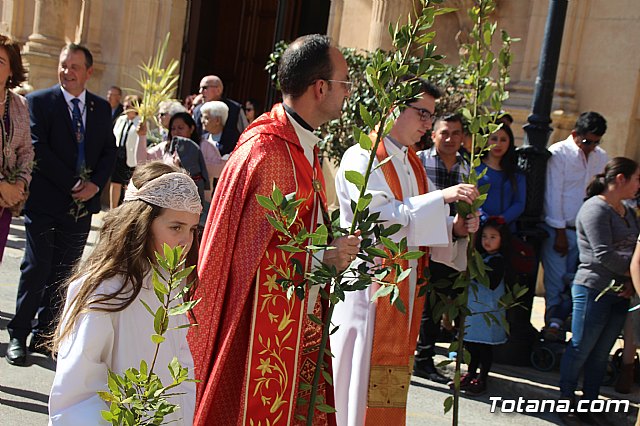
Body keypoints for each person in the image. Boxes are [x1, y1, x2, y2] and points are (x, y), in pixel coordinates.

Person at [189, 34, 360, 426]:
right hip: (258, 335)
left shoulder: (299, 146)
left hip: (300, 318)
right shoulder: (268, 153)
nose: (348, 93)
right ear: (321, 88)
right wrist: (323, 256)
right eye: (344, 83)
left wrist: (327, 248)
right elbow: (248, 261)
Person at [332, 80, 480, 426]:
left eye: (431, 115)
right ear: (392, 109)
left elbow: (419, 222)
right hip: (370, 287)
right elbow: (382, 220)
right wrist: (440, 198)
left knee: (388, 372)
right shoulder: (364, 156)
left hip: (402, 286)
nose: (428, 123)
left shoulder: (410, 163)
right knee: (357, 377)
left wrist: (454, 229)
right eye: (422, 113)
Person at [48, 162, 200, 425]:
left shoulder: (171, 285)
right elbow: (77, 393)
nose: (186, 241)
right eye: (176, 227)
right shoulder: (103, 290)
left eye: (192, 229)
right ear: (142, 221)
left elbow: (180, 370)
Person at [6, 43, 116, 366]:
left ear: (88, 72)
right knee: (37, 267)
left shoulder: (99, 107)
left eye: (74, 67)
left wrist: (95, 185)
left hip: (82, 208)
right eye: (63, 65)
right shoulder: (39, 101)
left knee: (64, 272)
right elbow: (37, 147)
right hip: (45, 202)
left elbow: (109, 151)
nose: (67, 72)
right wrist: (73, 183)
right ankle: (18, 333)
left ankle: (46, 335)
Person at [558, 157, 639, 424]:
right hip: (593, 287)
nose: (639, 185)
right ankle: (566, 401)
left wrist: (630, 283)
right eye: (637, 178)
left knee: (600, 353)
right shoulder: (595, 209)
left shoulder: (627, 211)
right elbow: (602, 255)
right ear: (620, 179)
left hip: (619, 292)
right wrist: (633, 273)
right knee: (581, 347)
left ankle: (589, 405)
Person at [541, 112, 609, 341]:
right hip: (560, 228)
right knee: (556, 281)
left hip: (586, 231)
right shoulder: (560, 153)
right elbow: (553, 193)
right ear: (575, 135)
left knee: (575, 282)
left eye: (596, 142)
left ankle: (561, 322)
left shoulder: (600, 157)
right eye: (587, 141)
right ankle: (552, 326)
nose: (591, 147)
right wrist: (559, 231)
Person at [414, 113, 468, 384]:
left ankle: (423, 358)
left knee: (435, 304)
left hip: (448, 245)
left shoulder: (467, 167)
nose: (449, 139)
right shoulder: (418, 161)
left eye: (456, 133)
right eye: (444, 133)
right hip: (420, 242)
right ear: (433, 134)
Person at [459, 217, 511, 396]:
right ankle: (471, 372)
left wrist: (474, 272)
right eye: (484, 236)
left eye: (493, 237)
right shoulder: (479, 257)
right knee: (471, 343)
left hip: (488, 308)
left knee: (484, 346)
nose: (487, 241)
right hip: (473, 308)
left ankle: (482, 378)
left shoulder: (499, 260)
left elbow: (491, 283)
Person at [0, 34, 33, 262]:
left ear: (11, 70)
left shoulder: (20, 104)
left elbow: (27, 151)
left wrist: (19, 184)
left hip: (4, 207)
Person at [136, 112, 209, 206]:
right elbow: (141, 161)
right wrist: (142, 136)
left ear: (191, 129)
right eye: (173, 129)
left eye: (180, 128)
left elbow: (217, 170)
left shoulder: (204, 145)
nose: (176, 132)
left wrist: (186, 165)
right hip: (169, 201)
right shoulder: (165, 147)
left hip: (197, 201)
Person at [476, 124, 526, 229]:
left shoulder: (517, 173)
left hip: (505, 231)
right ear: (486, 141)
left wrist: (501, 220)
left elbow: (519, 203)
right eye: (494, 139)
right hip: (478, 228)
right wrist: (483, 218)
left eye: (503, 140)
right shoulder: (474, 167)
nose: (498, 144)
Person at [192, 74, 248, 155]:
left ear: (218, 90)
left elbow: (245, 135)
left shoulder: (235, 109)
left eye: (205, 88)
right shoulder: (197, 111)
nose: (200, 92)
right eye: (200, 88)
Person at [109, 95, 140, 209]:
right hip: (118, 155)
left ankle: (125, 210)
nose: (125, 107)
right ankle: (113, 210)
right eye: (125, 105)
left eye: (129, 105)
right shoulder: (120, 119)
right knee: (115, 183)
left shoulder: (140, 122)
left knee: (128, 186)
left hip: (131, 158)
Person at [199, 100, 228, 201]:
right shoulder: (201, 139)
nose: (202, 120)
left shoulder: (231, 142)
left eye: (206, 118)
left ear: (217, 121)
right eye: (202, 117)